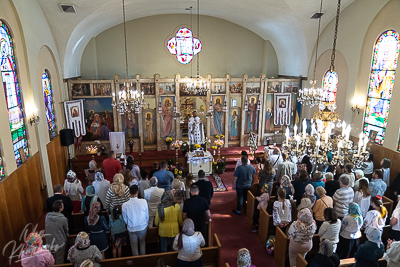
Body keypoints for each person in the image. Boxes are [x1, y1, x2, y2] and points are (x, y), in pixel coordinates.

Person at [122, 185, 149, 256]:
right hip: (142, 226)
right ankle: (142, 260)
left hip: (132, 228)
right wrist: (146, 223)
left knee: (134, 245)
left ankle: (136, 261)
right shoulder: (143, 201)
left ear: (129, 193)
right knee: (142, 243)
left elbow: (125, 218)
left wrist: (129, 224)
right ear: (137, 192)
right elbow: (147, 215)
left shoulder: (124, 205)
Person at [45, 200, 68, 264]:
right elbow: (66, 231)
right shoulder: (63, 219)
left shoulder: (47, 216)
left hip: (49, 242)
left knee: (51, 262)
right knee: (59, 261)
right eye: (63, 205)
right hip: (59, 243)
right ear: (60, 208)